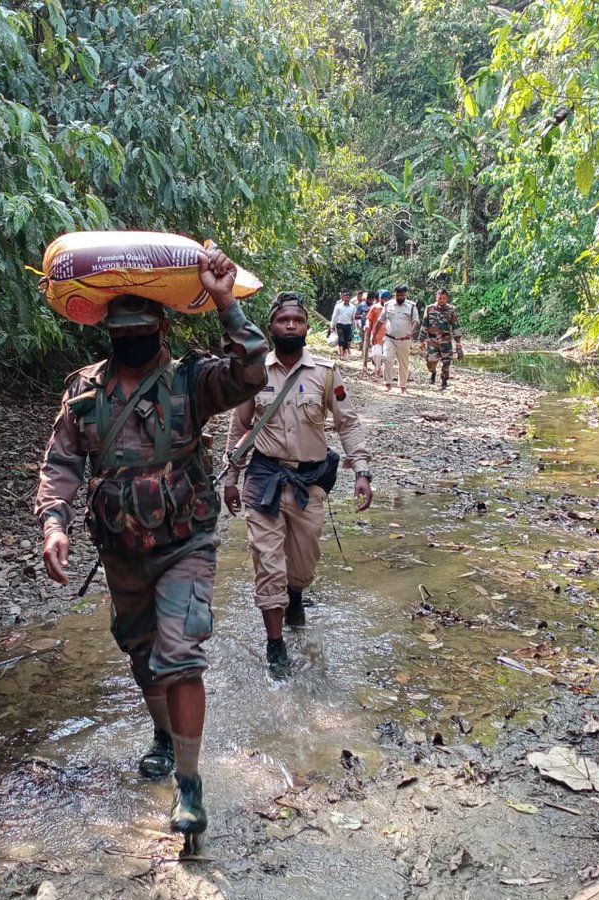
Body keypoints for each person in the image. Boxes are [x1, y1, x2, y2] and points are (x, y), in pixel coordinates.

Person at [34, 246, 268, 844]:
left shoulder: (193, 378)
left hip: (185, 539)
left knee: (180, 651)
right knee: (142, 655)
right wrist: (54, 524)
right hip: (120, 550)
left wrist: (223, 301)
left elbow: (251, 374)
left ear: (162, 328)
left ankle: (190, 786)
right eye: (121, 331)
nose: (131, 338)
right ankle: (163, 737)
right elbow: (61, 463)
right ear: (109, 332)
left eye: (141, 329)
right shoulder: (84, 392)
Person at [222, 292, 373, 678]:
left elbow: (347, 423)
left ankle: (296, 595)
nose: (291, 325)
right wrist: (231, 478)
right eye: (283, 320)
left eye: (298, 320)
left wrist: (361, 471)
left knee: (302, 566)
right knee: (268, 564)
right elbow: (240, 427)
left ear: (307, 328)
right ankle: (276, 646)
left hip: (308, 483)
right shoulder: (254, 373)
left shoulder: (326, 372)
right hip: (264, 480)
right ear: (271, 327)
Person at [418, 287, 464, 390]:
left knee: (446, 362)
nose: (441, 300)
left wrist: (458, 342)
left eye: (444, 298)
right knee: (431, 361)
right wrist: (421, 340)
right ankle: (433, 372)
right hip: (432, 340)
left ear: (447, 299)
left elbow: (455, 325)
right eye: (440, 298)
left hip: (446, 340)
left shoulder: (451, 310)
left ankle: (444, 381)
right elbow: (425, 324)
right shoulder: (429, 308)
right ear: (436, 297)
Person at [383, 284, 420, 395]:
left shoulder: (412, 306)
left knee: (403, 363)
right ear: (395, 294)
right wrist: (374, 334)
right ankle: (388, 385)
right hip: (389, 338)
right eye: (398, 295)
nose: (400, 297)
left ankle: (403, 387)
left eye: (402, 295)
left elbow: (416, 321)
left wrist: (411, 332)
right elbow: (381, 320)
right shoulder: (387, 305)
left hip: (404, 340)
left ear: (405, 295)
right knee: (387, 359)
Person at [363, 290, 386, 376]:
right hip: (376, 335)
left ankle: (383, 372)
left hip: (388, 336)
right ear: (379, 298)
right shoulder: (374, 308)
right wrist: (367, 326)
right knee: (376, 354)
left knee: (386, 356)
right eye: (383, 298)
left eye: (386, 298)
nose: (384, 300)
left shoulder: (391, 308)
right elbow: (369, 319)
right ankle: (377, 369)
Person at [328, 291, 356, 359]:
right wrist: (332, 326)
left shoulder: (353, 307)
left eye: (348, 297)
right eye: (345, 297)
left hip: (348, 325)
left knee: (347, 340)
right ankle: (341, 354)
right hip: (340, 324)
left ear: (350, 298)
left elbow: (353, 317)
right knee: (341, 339)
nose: (347, 299)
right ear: (343, 298)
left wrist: (354, 326)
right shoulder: (338, 306)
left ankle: (345, 352)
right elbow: (334, 316)